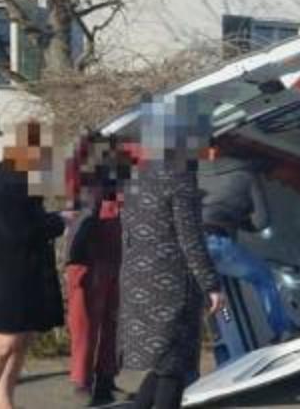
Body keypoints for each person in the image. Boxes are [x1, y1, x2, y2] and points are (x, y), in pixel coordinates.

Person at [119, 96, 223, 409]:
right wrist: (212, 285)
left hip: (138, 281)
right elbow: (190, 238)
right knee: (174, 370)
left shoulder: (139, 173)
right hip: (170, 286)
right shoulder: (180, 175)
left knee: (165, 366)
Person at [0, 120, 74, 409]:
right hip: (4, 279)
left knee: (21, 341)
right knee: (1, 344)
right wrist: (59, 221)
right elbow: (17, 232)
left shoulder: (21, 182)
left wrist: (54, 219)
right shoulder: (8, 185)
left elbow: (29, 225)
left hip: (23, 275)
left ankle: (4, 400)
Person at [198, 152, 291, 341]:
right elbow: (261, 221)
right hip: (217, 241)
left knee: (211, 292)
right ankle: (284, 330)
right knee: (264, 278)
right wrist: (238, 219)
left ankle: (219, 341)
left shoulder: (193, 172)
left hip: (191, 244)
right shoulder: (246, 175)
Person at [63, 141, 124, 407]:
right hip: (87, 261)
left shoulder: (121, 186)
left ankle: (106, 379)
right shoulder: (82, 184)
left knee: (114, 324)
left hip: (116, 259)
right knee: (84, 324)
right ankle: (81, 382)